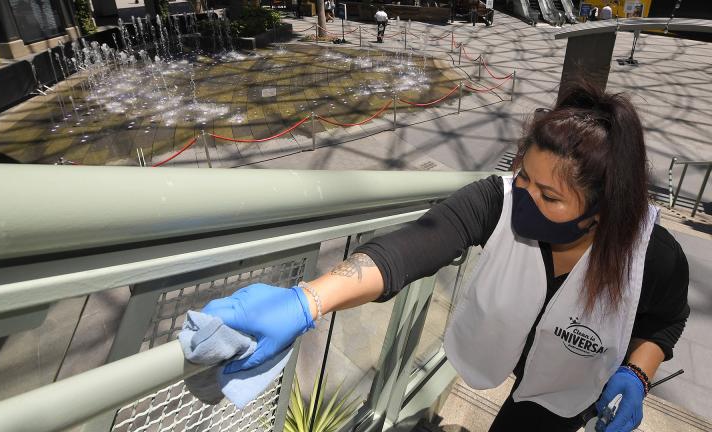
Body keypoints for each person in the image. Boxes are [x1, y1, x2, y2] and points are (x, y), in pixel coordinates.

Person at [199, 81, 689, 432]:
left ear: (602, 212)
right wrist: (309, 300)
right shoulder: (496, 200)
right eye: (524, 178)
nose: (524, 199)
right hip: (505, 350)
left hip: (567, 389)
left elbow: (665, 321)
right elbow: (410, 247)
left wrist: (637, 372)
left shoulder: (653, 256)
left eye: (550, 197)